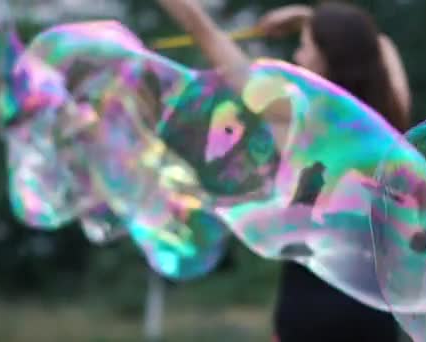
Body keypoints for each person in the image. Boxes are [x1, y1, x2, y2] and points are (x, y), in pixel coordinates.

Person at [156, 1, 412, 341]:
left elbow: (206, 33)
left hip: (306, 314)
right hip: (372, 317)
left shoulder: (293, 114)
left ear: (326, 60)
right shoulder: (391, 117)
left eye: (305, 47)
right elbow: (378, 45)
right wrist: (317, 23)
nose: (297, 56)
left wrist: (311, 18)